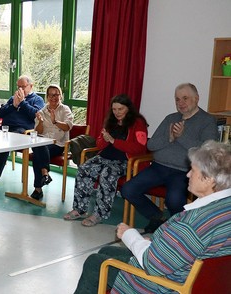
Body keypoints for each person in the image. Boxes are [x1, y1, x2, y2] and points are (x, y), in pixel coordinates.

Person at [74, 140, 231, 294]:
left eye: (193, 170)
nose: (188, 174)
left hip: (164, 285)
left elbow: (152, 264)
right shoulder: (224, 207)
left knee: (95, 263)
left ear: (209, 179)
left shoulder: (191, 224)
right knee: (107, 250)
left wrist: (130, 235)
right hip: (191, 273)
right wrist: (157, 242)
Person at [121, 83, 219, 233]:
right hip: (158, 167)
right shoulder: (170, 118)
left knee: (173, 199)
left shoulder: (207, 121)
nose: (181, 103)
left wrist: (181, 137)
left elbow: (207, 150)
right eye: (177, 99)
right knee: (128, 189)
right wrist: (170, 137)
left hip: (184, 171)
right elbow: (151, 144)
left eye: (185, 98)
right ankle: (157, 217)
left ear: (196, 98)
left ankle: (178, 229)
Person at [63, 94, 148, 227]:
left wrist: (115, 141)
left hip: (126, 161)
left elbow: (139, 147)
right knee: (84, 169)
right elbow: (99, 143)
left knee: (107, 174)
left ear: (128, 109)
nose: (117, 113)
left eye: (120, 109)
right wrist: (105, 139)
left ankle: (99, 214)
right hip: (105, 157)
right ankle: (80, 209)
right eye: (114, 109)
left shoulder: (138, 123)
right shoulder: (111, 121)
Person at [29, 84, 74, 201]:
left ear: (60, 96)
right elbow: (38, 132)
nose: (54, 97)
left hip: (58, 144)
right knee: (39, 146)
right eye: (51, 95)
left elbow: (67, 127)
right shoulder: (42, 111)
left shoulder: (65, 109)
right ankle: (45, 175)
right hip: (44, 143)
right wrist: (40, 122)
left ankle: (38, 187)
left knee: (36, 154)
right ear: (47, 97)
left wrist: (55, 121)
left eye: (56, 94)